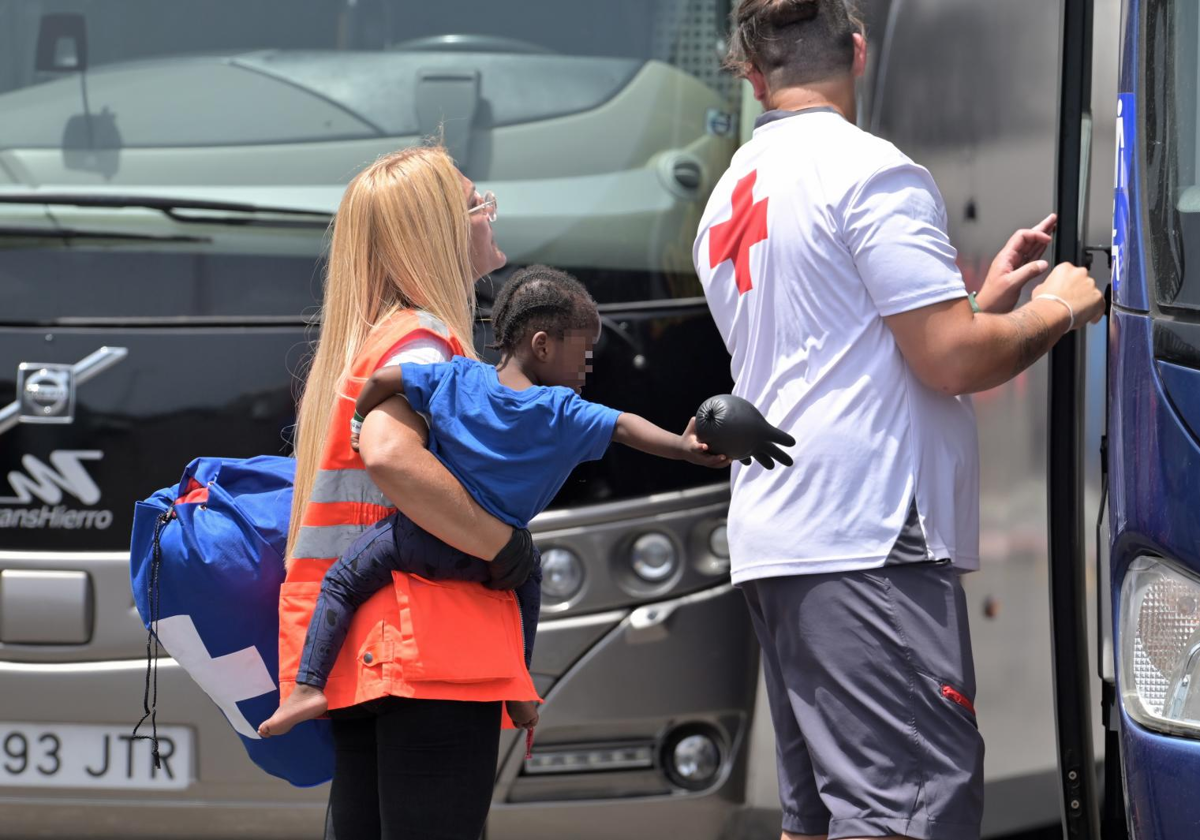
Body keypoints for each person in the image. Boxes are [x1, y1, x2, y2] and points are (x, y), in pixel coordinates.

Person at [692, 3, 1106, 840]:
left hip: (782, 541)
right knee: (910, 810)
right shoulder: (870, 171)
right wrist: (1056, 310)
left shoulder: (730, 195)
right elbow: (950, 360)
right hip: (868, 537)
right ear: (858, 49)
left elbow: (840, 351)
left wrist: (984, 305)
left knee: (821, 818)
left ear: (751, 71)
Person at [261, 265, 733, 740]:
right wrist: (680, 446)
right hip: (495, 559)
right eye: (583, 354)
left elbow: (384, 378)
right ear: (544, 345)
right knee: (529, 578)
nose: (588, 368)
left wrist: (361, 422)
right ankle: (520, 686)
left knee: (342, 581)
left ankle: (307, 688)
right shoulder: (564, 413)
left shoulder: (457, 378)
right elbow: (627, 427)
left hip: (419, 539)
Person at [279, 146, 545, 840]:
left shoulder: (372, 344)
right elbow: (392, 455)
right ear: (437, 231)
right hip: (429, 648)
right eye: (476, 203)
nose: (489, 214)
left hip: (369, 653)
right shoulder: (423, 347)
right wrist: (503, 546)